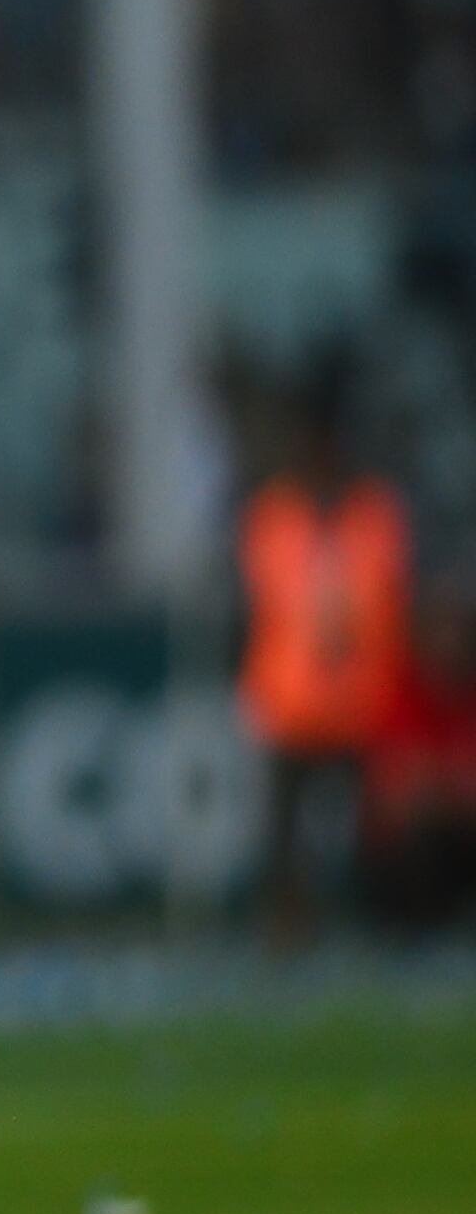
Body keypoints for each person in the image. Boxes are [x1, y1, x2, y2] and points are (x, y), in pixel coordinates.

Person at [234, 369, 407, 946]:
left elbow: (387, 604)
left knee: (368, 834)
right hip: (290, 704)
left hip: (362, 704)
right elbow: (259, 607)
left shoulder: (373, 512)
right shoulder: (272, 515)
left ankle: (370, 928)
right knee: (282, 838)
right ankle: (288, 932)